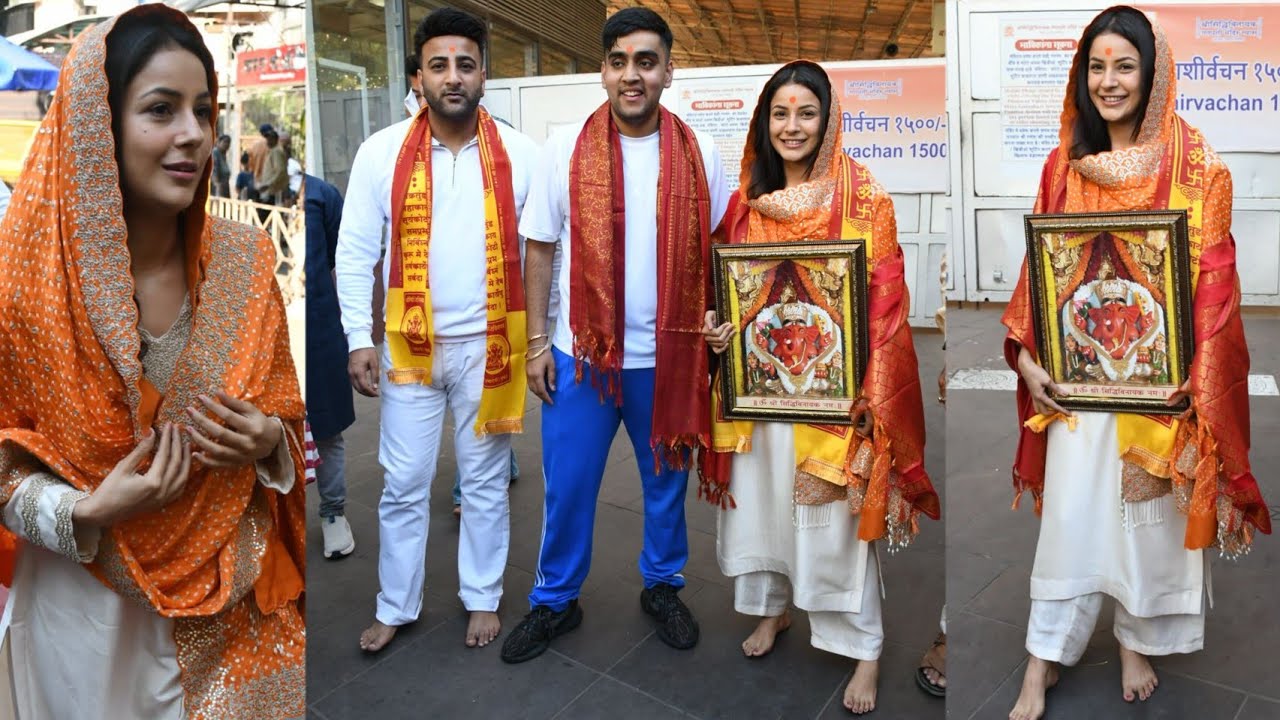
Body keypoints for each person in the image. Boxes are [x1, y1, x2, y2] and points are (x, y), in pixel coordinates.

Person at [0, 6, 306, 718]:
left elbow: (287, 419)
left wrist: (267, 444)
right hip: (84, 621)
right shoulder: (22, 281)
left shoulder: (246, 261)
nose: (193, 135)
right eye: (160, 110)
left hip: (233, 603)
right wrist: (85, 508)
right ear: (94, 124)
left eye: (203, 109)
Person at [1001, 7, 1271, 720]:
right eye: (1096, 66)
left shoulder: (1199, 168)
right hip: (1077, 385)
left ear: (1152, 74)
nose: (1109, 81)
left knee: (1147, 521)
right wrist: (1031, 362)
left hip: (1162, 387)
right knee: (1071, 514)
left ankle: (1133, 639)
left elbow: (1215, 286)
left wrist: (1198, 379)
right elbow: (1038, 278)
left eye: (1124, 66)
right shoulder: (1063, 165)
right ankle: (1042, 657)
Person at [698, 60, 939, 715]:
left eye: (807, 113)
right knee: (765, 506)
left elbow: (887, 309)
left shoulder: (866, 200)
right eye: (780, 113)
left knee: (832, 522)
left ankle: (864, 647)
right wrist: (716, 334)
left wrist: (870, 392)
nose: (792, 126)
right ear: (763, 122)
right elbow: (720, 296)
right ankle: (773, 610)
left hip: (834, 403)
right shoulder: (744, 206)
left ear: (828, 120)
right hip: (760, 397)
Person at [500, 7, 729, 664]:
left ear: (668, 70)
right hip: (582, 357)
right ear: (603, 68)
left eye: (647, 61)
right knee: (567, 485)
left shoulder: (699, 150)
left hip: (669, 358)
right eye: (620, 60)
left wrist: (715, 320)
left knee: (666, 487)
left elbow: (715, 249)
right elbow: (540, 248)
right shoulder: (566, 145)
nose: (633, 75)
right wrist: (538, 344)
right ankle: (554, 600)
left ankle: (662, 586)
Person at [335, 6, 539, 653]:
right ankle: (396, 604)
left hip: (490, 352)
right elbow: (355, 251)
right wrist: (357, 337)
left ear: (484, 74)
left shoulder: (521, 155)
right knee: (402, 484)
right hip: (409, 348)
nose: (453, 77)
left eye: (466, 65)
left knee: (482, 481)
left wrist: (540, 343)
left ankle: (482, 597)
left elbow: (543, 255)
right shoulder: (380, 153)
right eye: (439, 65)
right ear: (418, 77)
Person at [306, 172, 357, 559]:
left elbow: (342, 262)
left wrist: (355, 333)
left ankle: (332, 512)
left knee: (326, 427)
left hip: (320, 327)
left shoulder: (321, 195)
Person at [257, 127, 288, 205]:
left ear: (275, 140)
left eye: (270, 139)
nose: (268, 141)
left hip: (275, 192)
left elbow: (281, 171)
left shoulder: (276, 151)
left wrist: (268, 184)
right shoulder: (272, 151)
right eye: (267, 139)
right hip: (270, 191)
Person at [211, 133, 231, 197]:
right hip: (217, 190)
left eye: (228, 142)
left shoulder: (223, 155)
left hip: (225, 188)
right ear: (218, 142)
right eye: (225, 142)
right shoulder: (215, 153)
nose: (227, 144)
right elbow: (214, 171)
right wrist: (217, 188)